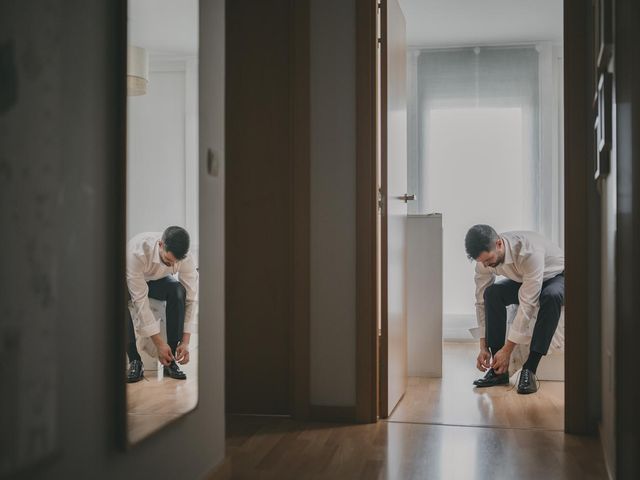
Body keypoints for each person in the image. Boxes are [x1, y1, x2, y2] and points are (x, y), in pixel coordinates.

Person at [464, 225, 564, 394]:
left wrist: (508, 350)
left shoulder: (529, 251)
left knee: (551, 297)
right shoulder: (484, 261)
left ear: (499, 244)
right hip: (523, 278)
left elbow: (528, 304)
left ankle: (530, 370)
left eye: (489, 260)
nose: (487, 265)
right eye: (482, 262)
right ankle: (498, 371)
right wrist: (483, 346)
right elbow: (481, 301)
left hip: (555, 276)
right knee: (492, 293)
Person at [125, 226, 198, 383]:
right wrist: (158, 343)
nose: (172, 266)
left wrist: (185, 342)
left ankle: (170, 359)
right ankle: (134, 360)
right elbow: (140, 301)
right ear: (160, 245)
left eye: (176, 263)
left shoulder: (186, 258)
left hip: (157, 281)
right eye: (169, 261)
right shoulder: (137, 251)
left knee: (178, 291)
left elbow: (191, 299)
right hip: (131, 281)